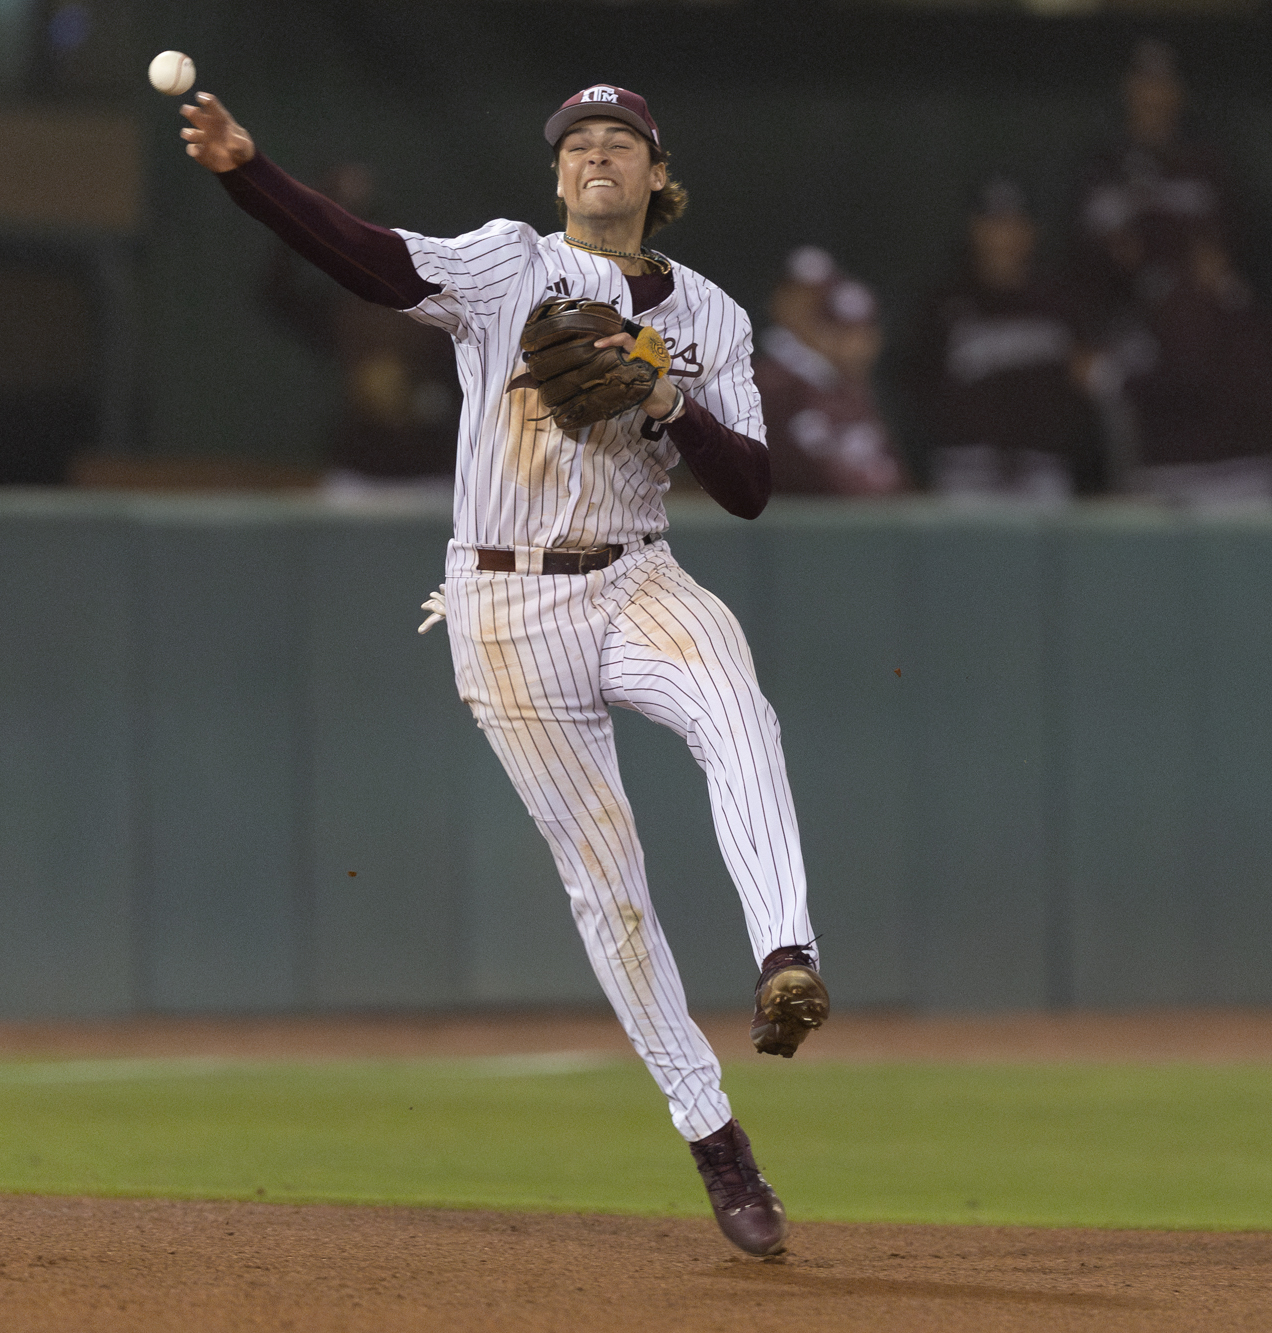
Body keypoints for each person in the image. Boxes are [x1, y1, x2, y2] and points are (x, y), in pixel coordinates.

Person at [179, 82, 826, 1258]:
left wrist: (665, 394)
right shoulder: (503, 264)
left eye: (615, 142)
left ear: (653, 171)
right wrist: (245, 173)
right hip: (502, 598)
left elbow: (747, 489)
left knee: (735, 700)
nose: (593, 156)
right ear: (557, 174)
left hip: (635, 575)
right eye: (574, 143)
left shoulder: (715, 319)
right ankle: (715, 1141)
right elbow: (370, 261)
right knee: (606, 888)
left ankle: (786, 956)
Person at [259, 163, 460, 497]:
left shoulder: (441, 317)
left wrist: (421, 397)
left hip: (431, 479)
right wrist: (309, 211)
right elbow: (275, 294)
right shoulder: (342, 313)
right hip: (355, 476)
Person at [904, 180, 1097, 503]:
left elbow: (1083, 382)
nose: (1004, 236)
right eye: (994, 223)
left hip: (1042, 467)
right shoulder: (944, 303)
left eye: (1013, 224)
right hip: (967, 467)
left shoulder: (1060, 305)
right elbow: (918, 384)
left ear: (1031, 231)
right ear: (974, 229)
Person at [1102, 232, 1272, 507]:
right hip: (1181, 477)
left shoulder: (1245, 320)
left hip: (1240, 477)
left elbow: (1192, 375)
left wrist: (1111, 380)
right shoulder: (1153, 312)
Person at [1071, 39, 1238, 324]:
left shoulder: (1206, 165)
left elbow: (1224, 248)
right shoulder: (1099, 166)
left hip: (1192, 312)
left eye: (1163, 84)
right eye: (1145, 83)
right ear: (1127, 87)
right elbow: (1085, 254)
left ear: (1178, 93)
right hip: (1118, 313)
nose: (1153, 97)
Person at [753, 246, 902, 496]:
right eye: (843, 333)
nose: (856, 346)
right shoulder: (773, 382)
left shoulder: (843, 385)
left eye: (863, 332)